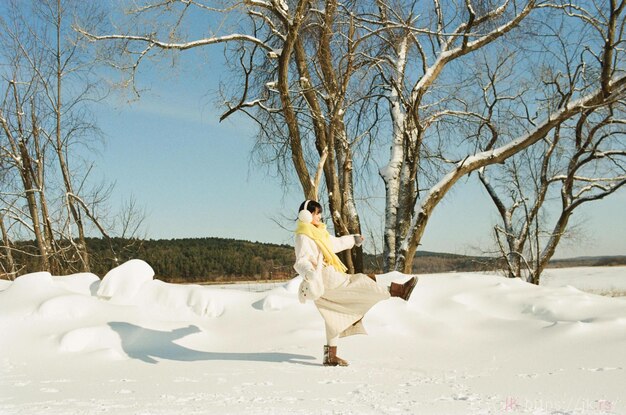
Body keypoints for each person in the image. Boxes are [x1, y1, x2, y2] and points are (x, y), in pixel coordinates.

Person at [294, 200, 417, 367]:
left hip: (328, 277)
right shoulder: (304, 235)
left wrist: (353, 239)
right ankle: (399, 290)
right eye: (316, 213)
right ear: (306, 214)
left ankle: (330, 356)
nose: (319, 216)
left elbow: (335, 243)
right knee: (360, 283)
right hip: (323, 278)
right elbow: (301, 261)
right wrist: (310, 273)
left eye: (319, 213)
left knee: (333, 315)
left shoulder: (318, 232)